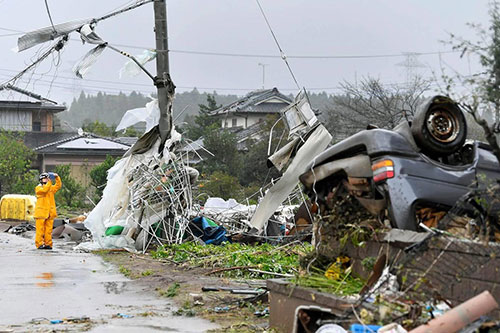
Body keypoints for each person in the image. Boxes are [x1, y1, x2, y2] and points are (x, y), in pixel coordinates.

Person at [34, 172, 62, 250]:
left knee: (48, 231)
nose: (46, 179)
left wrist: (57, 177)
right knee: (40, 230)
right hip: (41, 213)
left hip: (50, 213)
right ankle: (39, 244)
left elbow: (58, 186)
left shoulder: (50, 188)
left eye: (47, 178)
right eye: (45, 178)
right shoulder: (39, 188)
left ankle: (48, 244)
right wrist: (49, 182)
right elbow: (45, 190)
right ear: (41, 180)